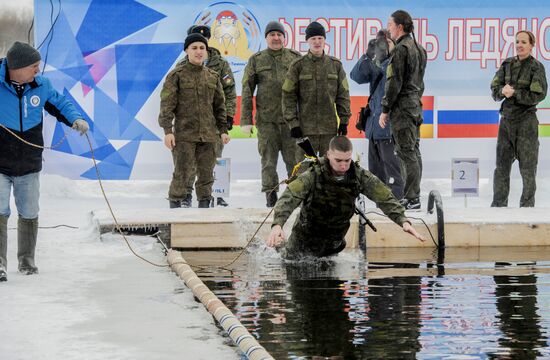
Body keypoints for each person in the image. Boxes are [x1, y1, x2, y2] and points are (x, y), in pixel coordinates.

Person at [0, 42, 89, 281]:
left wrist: (76, 119)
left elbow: (61, 104)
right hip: (0, 162)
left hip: (28, 163)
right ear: (17, 67)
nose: (37, 70)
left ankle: (27, 262)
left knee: (29, 212)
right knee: (0, 210)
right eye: (34, 66)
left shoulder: (41, 86)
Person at [266, 136, 425, 258]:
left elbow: (384, 196)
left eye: (347, 160)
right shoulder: (313, 175)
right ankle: (277, 246)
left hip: (333, 244)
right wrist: (277, 224)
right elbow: (289, 196)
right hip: (304, 241)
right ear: (328, 155)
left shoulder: (358, 176)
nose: (343, 165)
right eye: (338, 160)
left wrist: (402, 220)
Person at [158, 33, 229, 209]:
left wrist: (223, 130)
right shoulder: (176, 75)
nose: (198, 51)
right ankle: (174, 213)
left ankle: (204, 215)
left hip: (208, 137)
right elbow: (167, 105)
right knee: (182, 175)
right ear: (187, 51)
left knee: (206, 178)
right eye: (194, 48)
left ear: (206, 51)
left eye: (202, 48)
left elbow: (220, 107)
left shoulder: (213, 77)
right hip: (184, 136)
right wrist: (168, 131)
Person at [241, 21, 302, 207]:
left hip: (291, 121)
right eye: (272, 35)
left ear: (284, 37)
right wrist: (246, 120)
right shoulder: (256, 60)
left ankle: (295, 196)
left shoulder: (295, 58)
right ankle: (270, 194)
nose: (276, 38)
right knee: (268, 161)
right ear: (266, 38)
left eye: (279, 34)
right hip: (267, 121)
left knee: (295, 162)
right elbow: (246, 90)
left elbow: (304, 89)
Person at [177, 25, 236, 208]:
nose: (198, 49)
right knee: (189, 161)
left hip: (214, 123)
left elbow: (230, 91)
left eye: (202, 41)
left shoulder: (220, 63)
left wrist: (228, 117)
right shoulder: (181, 67)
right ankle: (186, 195)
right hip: (191, 123)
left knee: (214, 158)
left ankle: (217, 195)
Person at [490, 30, 547, 207]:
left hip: (526, 122)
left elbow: (538, 95)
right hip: (506, 122)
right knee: (501, 168)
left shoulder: (536, 67)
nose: (519, 45)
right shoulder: (506, 65)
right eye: (517, 42)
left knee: (528, 169)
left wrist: (515, 93)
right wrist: (501, 91)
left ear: (531, 45)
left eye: (523, 42)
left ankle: (527, 207)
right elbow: (494, 90)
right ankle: (498, 206)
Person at [379, 10, 427, 210]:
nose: (388, 28)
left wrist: (385, 108)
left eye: (390, 25)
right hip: (415, 106)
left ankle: (412, 198)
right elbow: (420, 83)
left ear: (399, 27)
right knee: (413, 151)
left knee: (406, 152)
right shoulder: (419, 48)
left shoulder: (400, 50)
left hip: (403, 109)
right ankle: (412, 196)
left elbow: (394, 83)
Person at [282, 21, 351, 158]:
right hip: (305, 131)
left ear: (324, 40)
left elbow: (343, 95)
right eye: (313, 38)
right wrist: (293, 124)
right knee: (304, 170)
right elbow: (288, 95)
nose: (317, 42)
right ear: (307, 40)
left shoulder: (335, 65)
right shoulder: (297, 66)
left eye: (320, 38)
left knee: (329, 169)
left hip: (329, 131)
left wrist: (344, 121)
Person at [350, 29, 404, 200]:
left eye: (386, 42)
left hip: (388, 127)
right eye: (380, 42)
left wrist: (386, 55)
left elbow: (394, 78)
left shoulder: (397, 61)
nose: (382, 46)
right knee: (375, 172)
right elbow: (356, 76)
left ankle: (396, 201)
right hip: (374, 127)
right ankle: (380, 203)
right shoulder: (375, 62)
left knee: (392, 169)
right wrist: (367, 54)